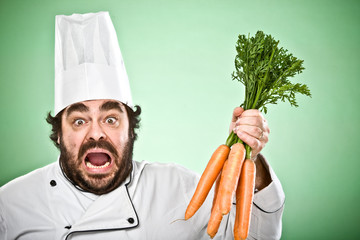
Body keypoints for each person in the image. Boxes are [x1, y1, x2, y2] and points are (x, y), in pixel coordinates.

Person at [0, 12, 285, 240]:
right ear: (59, 135)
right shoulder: (10, 204)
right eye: (78, 120)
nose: (96, 132)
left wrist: (252, 156)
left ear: (130, 131)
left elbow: (256, 237)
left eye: (111, 119)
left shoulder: (179, 187)